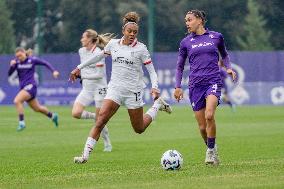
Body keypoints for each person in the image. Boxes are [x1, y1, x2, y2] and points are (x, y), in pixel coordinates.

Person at [69, 11, 172, 164]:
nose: (132, 34)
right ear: (123, 30)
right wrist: (79, 67)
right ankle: (84, 156)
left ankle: (157, 105)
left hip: (133, 92)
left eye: (135, 32)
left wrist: (155, 87)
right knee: (100, 120)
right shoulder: (113, 44)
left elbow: (151, 71)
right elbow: (98, 57)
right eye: (129, 31)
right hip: (114, 90)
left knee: (139, 129)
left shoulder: (141, 49)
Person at [173, 10, 236, 165]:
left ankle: (209, 152)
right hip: (195, 85)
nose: (187, 23)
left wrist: (228, 68)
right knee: (202, 128)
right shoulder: (185, 42)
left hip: (213, 81)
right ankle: (212, 148)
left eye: (189, 20)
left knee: (209, 115)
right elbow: (180, 66)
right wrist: (177, 86)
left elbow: (225, 54)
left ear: (199, 20)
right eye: (185, 20)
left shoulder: (216, 37)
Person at [71, 29, 113, 152]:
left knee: (99, 122)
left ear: (89, 39)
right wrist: (82, 76)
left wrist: (82, 76)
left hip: (99, 89)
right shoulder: (81, 51)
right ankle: (95, 116)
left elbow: (99, 75)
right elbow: (84, 68)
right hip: (87, 88)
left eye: (83, 37)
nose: (81, 39)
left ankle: (107, 143)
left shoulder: (98, 52)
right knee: (76, 113)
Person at [8, 47, 60, 131]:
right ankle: (53, 116)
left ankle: (21, 123)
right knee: (37, 108)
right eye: (17, 56)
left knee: (17, 101)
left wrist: (53, 71)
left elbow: (45, 63)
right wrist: (11, 66)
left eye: (20, 55)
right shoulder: (17, 62)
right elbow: (10, 74)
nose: (19, 58)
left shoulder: (32, 60)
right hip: (23, 88)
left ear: (24, 53)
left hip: (31, 86)